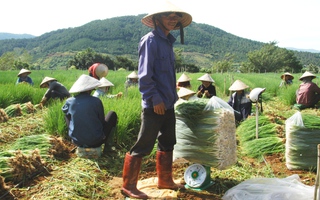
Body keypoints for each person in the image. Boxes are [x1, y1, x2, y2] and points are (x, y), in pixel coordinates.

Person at [121, 2, 192, 199]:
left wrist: (171, 97)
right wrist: (155, 99)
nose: (173, 17)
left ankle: (165, 180)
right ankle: (128, 186)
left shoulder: (168, 42)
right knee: (144, 144)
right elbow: (144, 76)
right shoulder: (150, 41)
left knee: (168, 141)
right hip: (155, 104)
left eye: (176, 15)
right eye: (168, 14)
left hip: (169, 102)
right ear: (157, 18)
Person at [62, 74, 118, 154]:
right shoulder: (96, 101)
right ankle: (108, 147)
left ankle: (75, 134)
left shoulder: (69, 101)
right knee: (112, 114)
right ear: (89, 90)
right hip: (96, 141)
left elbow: (65, 112)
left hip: (76, 141)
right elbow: (101, 121)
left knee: (67, 114)